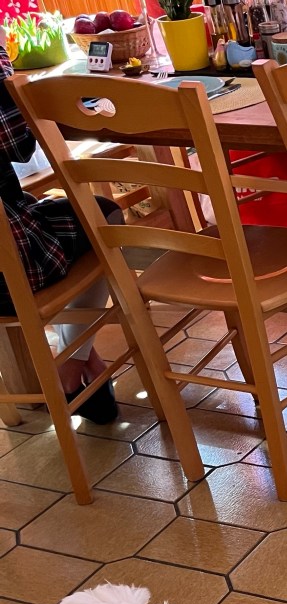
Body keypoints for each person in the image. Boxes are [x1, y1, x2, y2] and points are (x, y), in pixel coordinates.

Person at [0, 27, 119, 423]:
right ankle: (72, 364)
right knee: (103, 216)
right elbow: (19, 143)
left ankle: (80, 358)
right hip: (8, 272)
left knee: (58, 212)